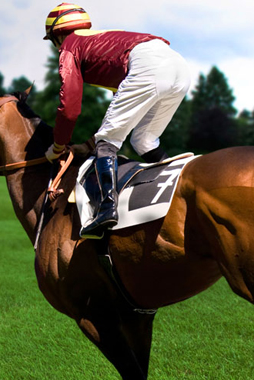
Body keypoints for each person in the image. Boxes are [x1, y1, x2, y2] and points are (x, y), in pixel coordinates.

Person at [42, 3, 191, 239]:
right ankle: (182, 188)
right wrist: (91, 144)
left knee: (108, 142)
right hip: (179, 66)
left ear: (57, 35)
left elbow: (69, 106)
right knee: (144, 140)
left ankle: (107, 209)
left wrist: (58, 146)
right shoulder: (101, 40)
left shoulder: (69, 47)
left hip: (147, 65)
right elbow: (120, 112)